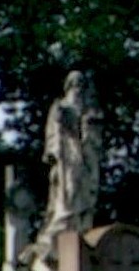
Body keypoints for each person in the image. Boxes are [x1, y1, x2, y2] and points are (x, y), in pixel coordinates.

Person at [42, 68, 102, 239]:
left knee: (86, 188)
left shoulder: (89, 109)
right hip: (67, 153)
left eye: (81, 84)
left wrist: (89, 127)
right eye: (74, 84)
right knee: (70, 186)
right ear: (67, 87)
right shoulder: (60, 106)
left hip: (86, 153)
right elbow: (52, 133)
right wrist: (53, 151)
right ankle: (65, 222)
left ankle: (81, 224)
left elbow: (95, 135)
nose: (78, 88)